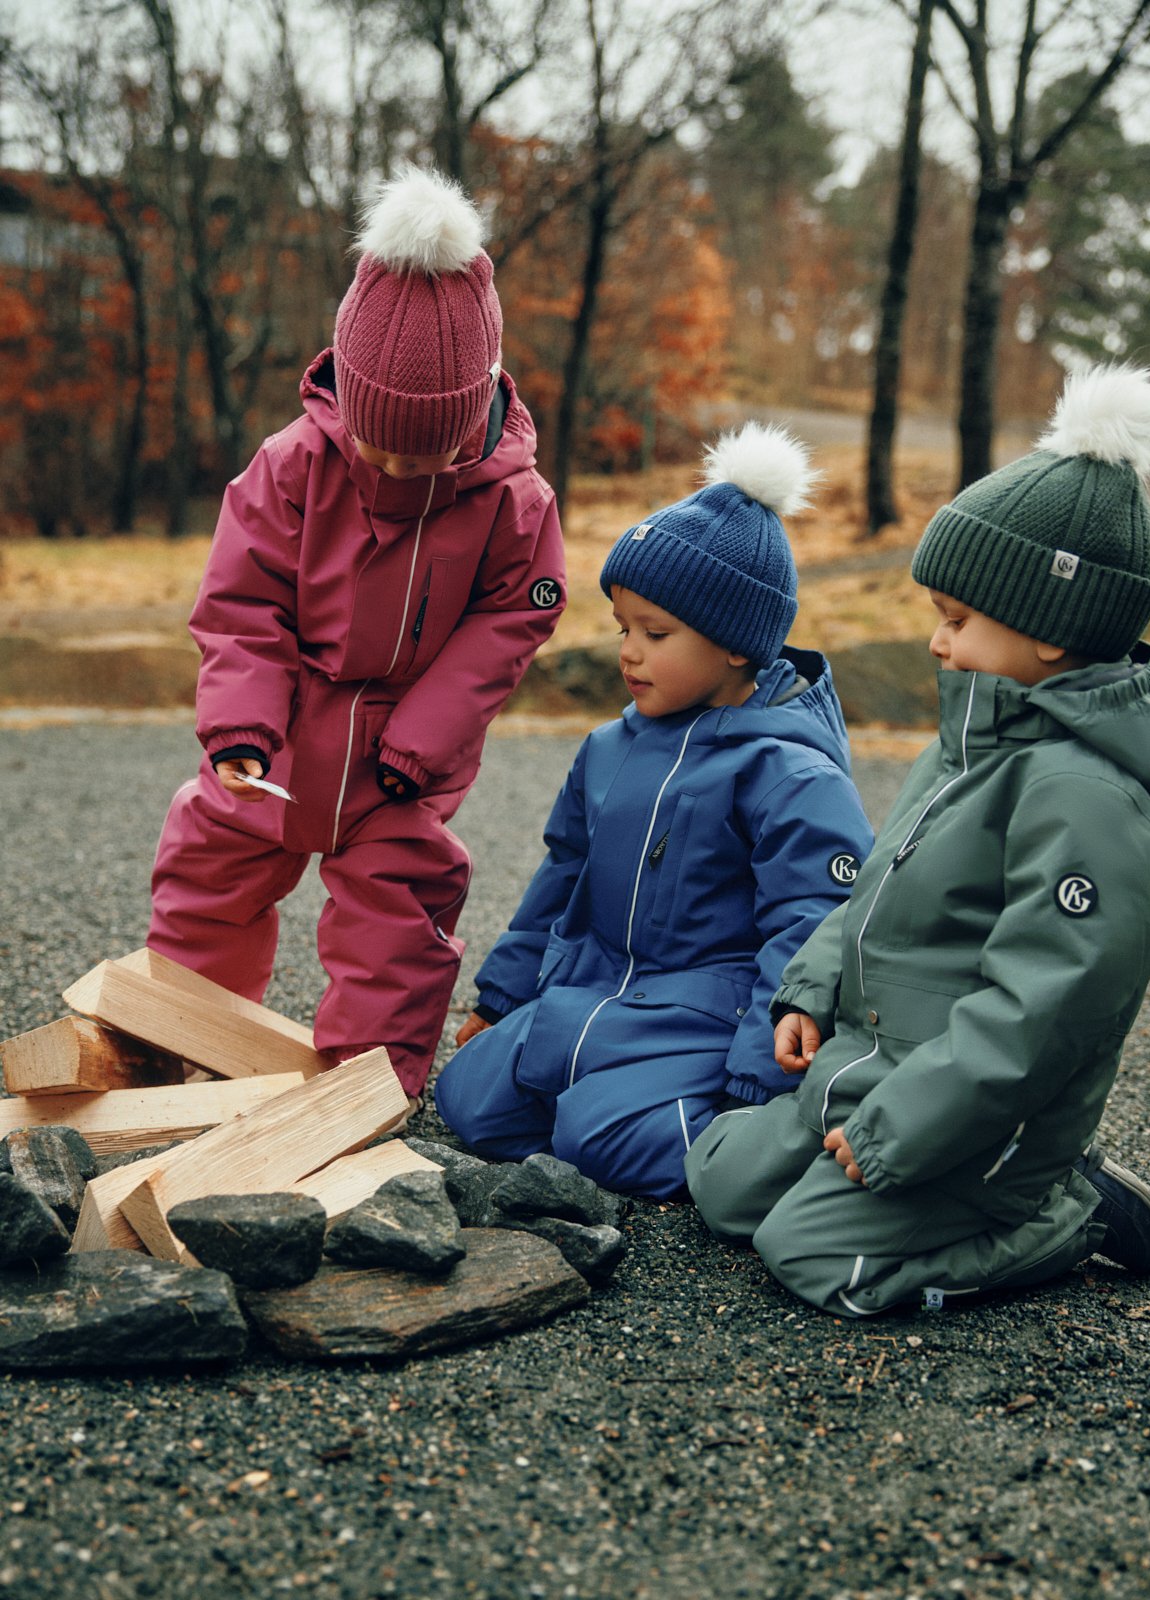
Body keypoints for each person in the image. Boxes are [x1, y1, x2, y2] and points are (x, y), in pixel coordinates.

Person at [686, 363, 1150, 1315]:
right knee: (720, 1186)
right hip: (873, 1065)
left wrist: (903, 1131)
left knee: (814, 1259)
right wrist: (813, 984)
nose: (935, 642)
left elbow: (1041, 1014)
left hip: (981, 1122)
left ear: (1051, 633)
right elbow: (878, 887)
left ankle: (1064, 1211)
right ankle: (874, 1157)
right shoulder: (966, 746)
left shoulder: (1088, 799)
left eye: (958, 621)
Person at [147, 165, 566, 1104]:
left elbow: (515, 616)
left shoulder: (514, 504)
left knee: (400, 919)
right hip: (287, 731)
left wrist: (421, 742)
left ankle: (359, 1090)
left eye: (423, 454)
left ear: (469, 421)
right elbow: (242, 603)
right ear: (345, 402)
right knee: (210, 868)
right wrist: (243, 729)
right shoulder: (291, 467)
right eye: (376, 445)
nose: (393, 466)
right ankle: (183, 1039)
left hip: (397, 763)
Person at [434, 422, 874, 1197]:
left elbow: (814, 927)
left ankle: (784, 1145)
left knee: (605, 1142)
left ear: (738, 643)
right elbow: (560, 878)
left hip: (707, 1014)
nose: (627, 652)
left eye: (655, 632)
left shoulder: (788, 771)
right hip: (600, 993)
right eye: (621, 628)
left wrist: (754, 1070)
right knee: (468, 1101)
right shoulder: (610, 748)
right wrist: (502, 997)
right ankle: (610, 1100)